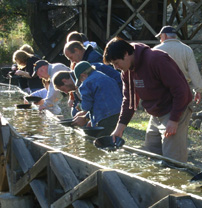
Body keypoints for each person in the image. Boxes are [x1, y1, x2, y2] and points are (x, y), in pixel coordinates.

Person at [103, 37, 193, 163]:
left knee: (173, 158)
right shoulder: (126, 72)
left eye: (116, 63)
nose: (116, 67)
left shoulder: (156, 59)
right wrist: (120, 127)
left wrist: (174, 119)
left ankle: (177, 180)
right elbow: (129, 100)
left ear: (126, 54)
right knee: (151, 153)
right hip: (155, 112)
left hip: (175, 108)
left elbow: (181, 91)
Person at [52, 62, 122, 117]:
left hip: (108, 109)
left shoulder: (85, 82)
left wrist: (84, 113)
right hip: (115, 107)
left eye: (63, 89)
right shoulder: (90, 73)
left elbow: (91, 103)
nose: (66, 92)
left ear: (64, 81)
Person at [154, 25, 202, 104]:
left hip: (162, 90)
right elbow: (194, 72)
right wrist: (198, 90)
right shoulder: (187, 49)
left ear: (164, 35)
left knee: (160, 115)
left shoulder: (156, 50)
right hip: (182, 88)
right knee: (182, 114)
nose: (160, 39)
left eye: (160, 37)